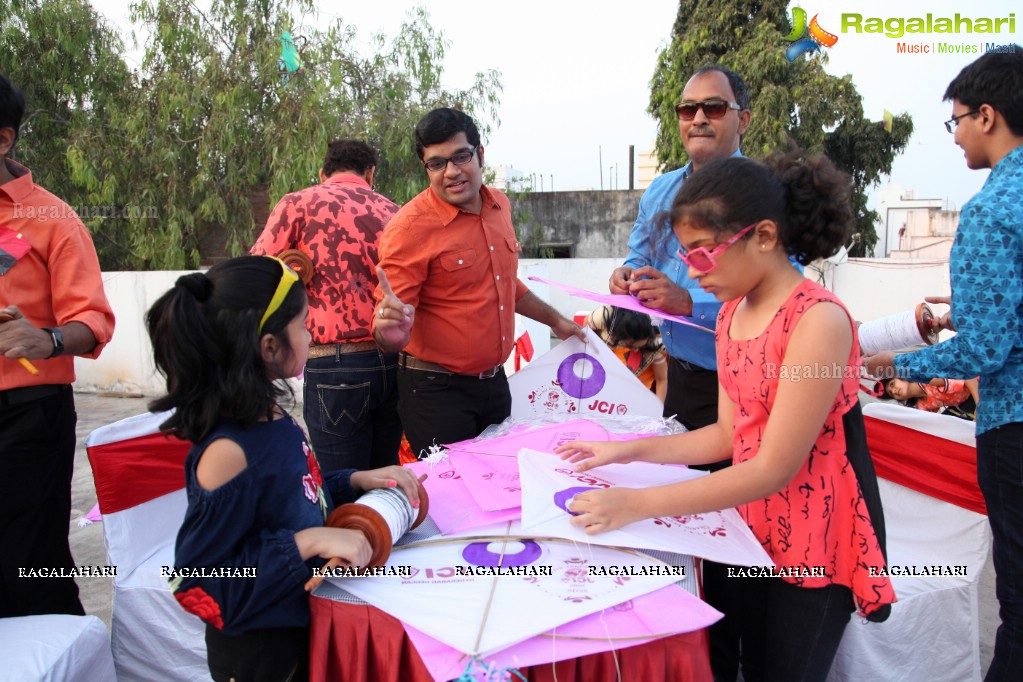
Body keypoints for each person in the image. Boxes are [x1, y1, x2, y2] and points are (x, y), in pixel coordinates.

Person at [558, 152, 894, 681]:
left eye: (703, 255)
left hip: (817, 540)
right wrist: (624, 449)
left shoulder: (820, 321)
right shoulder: (734, 312)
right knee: (746, 661)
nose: (690, 272)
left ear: (763, 236)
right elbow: (724, 436)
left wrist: (635, 503)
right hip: (754, 527)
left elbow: (771, 467)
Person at [147, 255, 419, 681]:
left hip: (301, 626)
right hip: (260, 656)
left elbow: (295, 495)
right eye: (304, 326)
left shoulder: (271, 416)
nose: (312, 336)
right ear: (269, 346)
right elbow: (197, 582)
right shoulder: (227, 453)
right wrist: (306, 542)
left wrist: (353, 480)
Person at [864, 48, 1023, 682]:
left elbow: (987, 351)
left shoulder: (990, 210)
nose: (955, 136)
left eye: (956, 120)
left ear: (987, 115)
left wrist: (893, 359)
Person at [372, 107, 583, 456]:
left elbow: (503, 283)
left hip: (494, 384)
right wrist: (390, 329)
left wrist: (556, 320)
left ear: (480, 154)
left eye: (461, 157)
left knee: (499, 487)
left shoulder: (499, 206)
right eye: (437, 163)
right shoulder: (409, 228)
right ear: (426, 167)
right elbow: (389, 325)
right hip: (436, 393)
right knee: (452, 501)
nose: (452, 172)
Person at [0, 75, 116, 618]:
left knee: (29, 559)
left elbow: (93, 320)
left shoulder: (52, 218)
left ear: (3, 139)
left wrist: (45, 339)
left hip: (27, 415)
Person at [251, 138, 401, 473]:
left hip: (335, 366)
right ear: (371, 173)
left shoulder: (299, 205)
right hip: (394, 360)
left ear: (323, 172)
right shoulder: (394, 212)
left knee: (342, 485)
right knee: (386, 481)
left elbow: (255, 271)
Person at [585, 305, 667, 402]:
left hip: (635, 398)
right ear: (615, 337)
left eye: (639, 347)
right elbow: (585, 337)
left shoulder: (653, 348)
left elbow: (662, 380)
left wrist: (657, 410)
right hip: (602, 394)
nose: (636, 350)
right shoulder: (599, 321)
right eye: (631, 346)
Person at [881, 376, 979, 418]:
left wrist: (980, 405)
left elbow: (968, 378)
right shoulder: (922, 405)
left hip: (981, 387)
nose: (894, 391)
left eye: (892, 384)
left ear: (900, 377)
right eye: (891, 393)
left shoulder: (928, 379)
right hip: (968, 403)